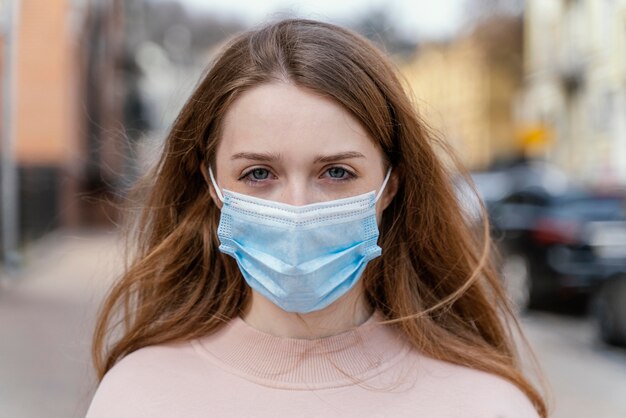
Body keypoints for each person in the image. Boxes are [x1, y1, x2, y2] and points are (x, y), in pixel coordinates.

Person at [86, 18, 547, 417]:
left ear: (391, 187)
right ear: (212, 185)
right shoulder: (137, 397)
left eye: (337, 172)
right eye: (259, 173)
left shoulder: (488, 405)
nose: (298, 209)